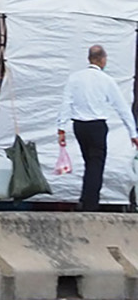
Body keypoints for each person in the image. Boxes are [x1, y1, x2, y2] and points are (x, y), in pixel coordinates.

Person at [57, 44, 138, 211]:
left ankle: (84, 197)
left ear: (89, 58)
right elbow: (122, 107)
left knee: (89, 161)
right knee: (96, 164)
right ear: (102, 59)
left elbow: (66, 102)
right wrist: (133, 132)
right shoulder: (106, 80)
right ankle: (90, 204)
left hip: (79, 125)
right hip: (97, 125)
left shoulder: (75, 78)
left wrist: (61, 128)